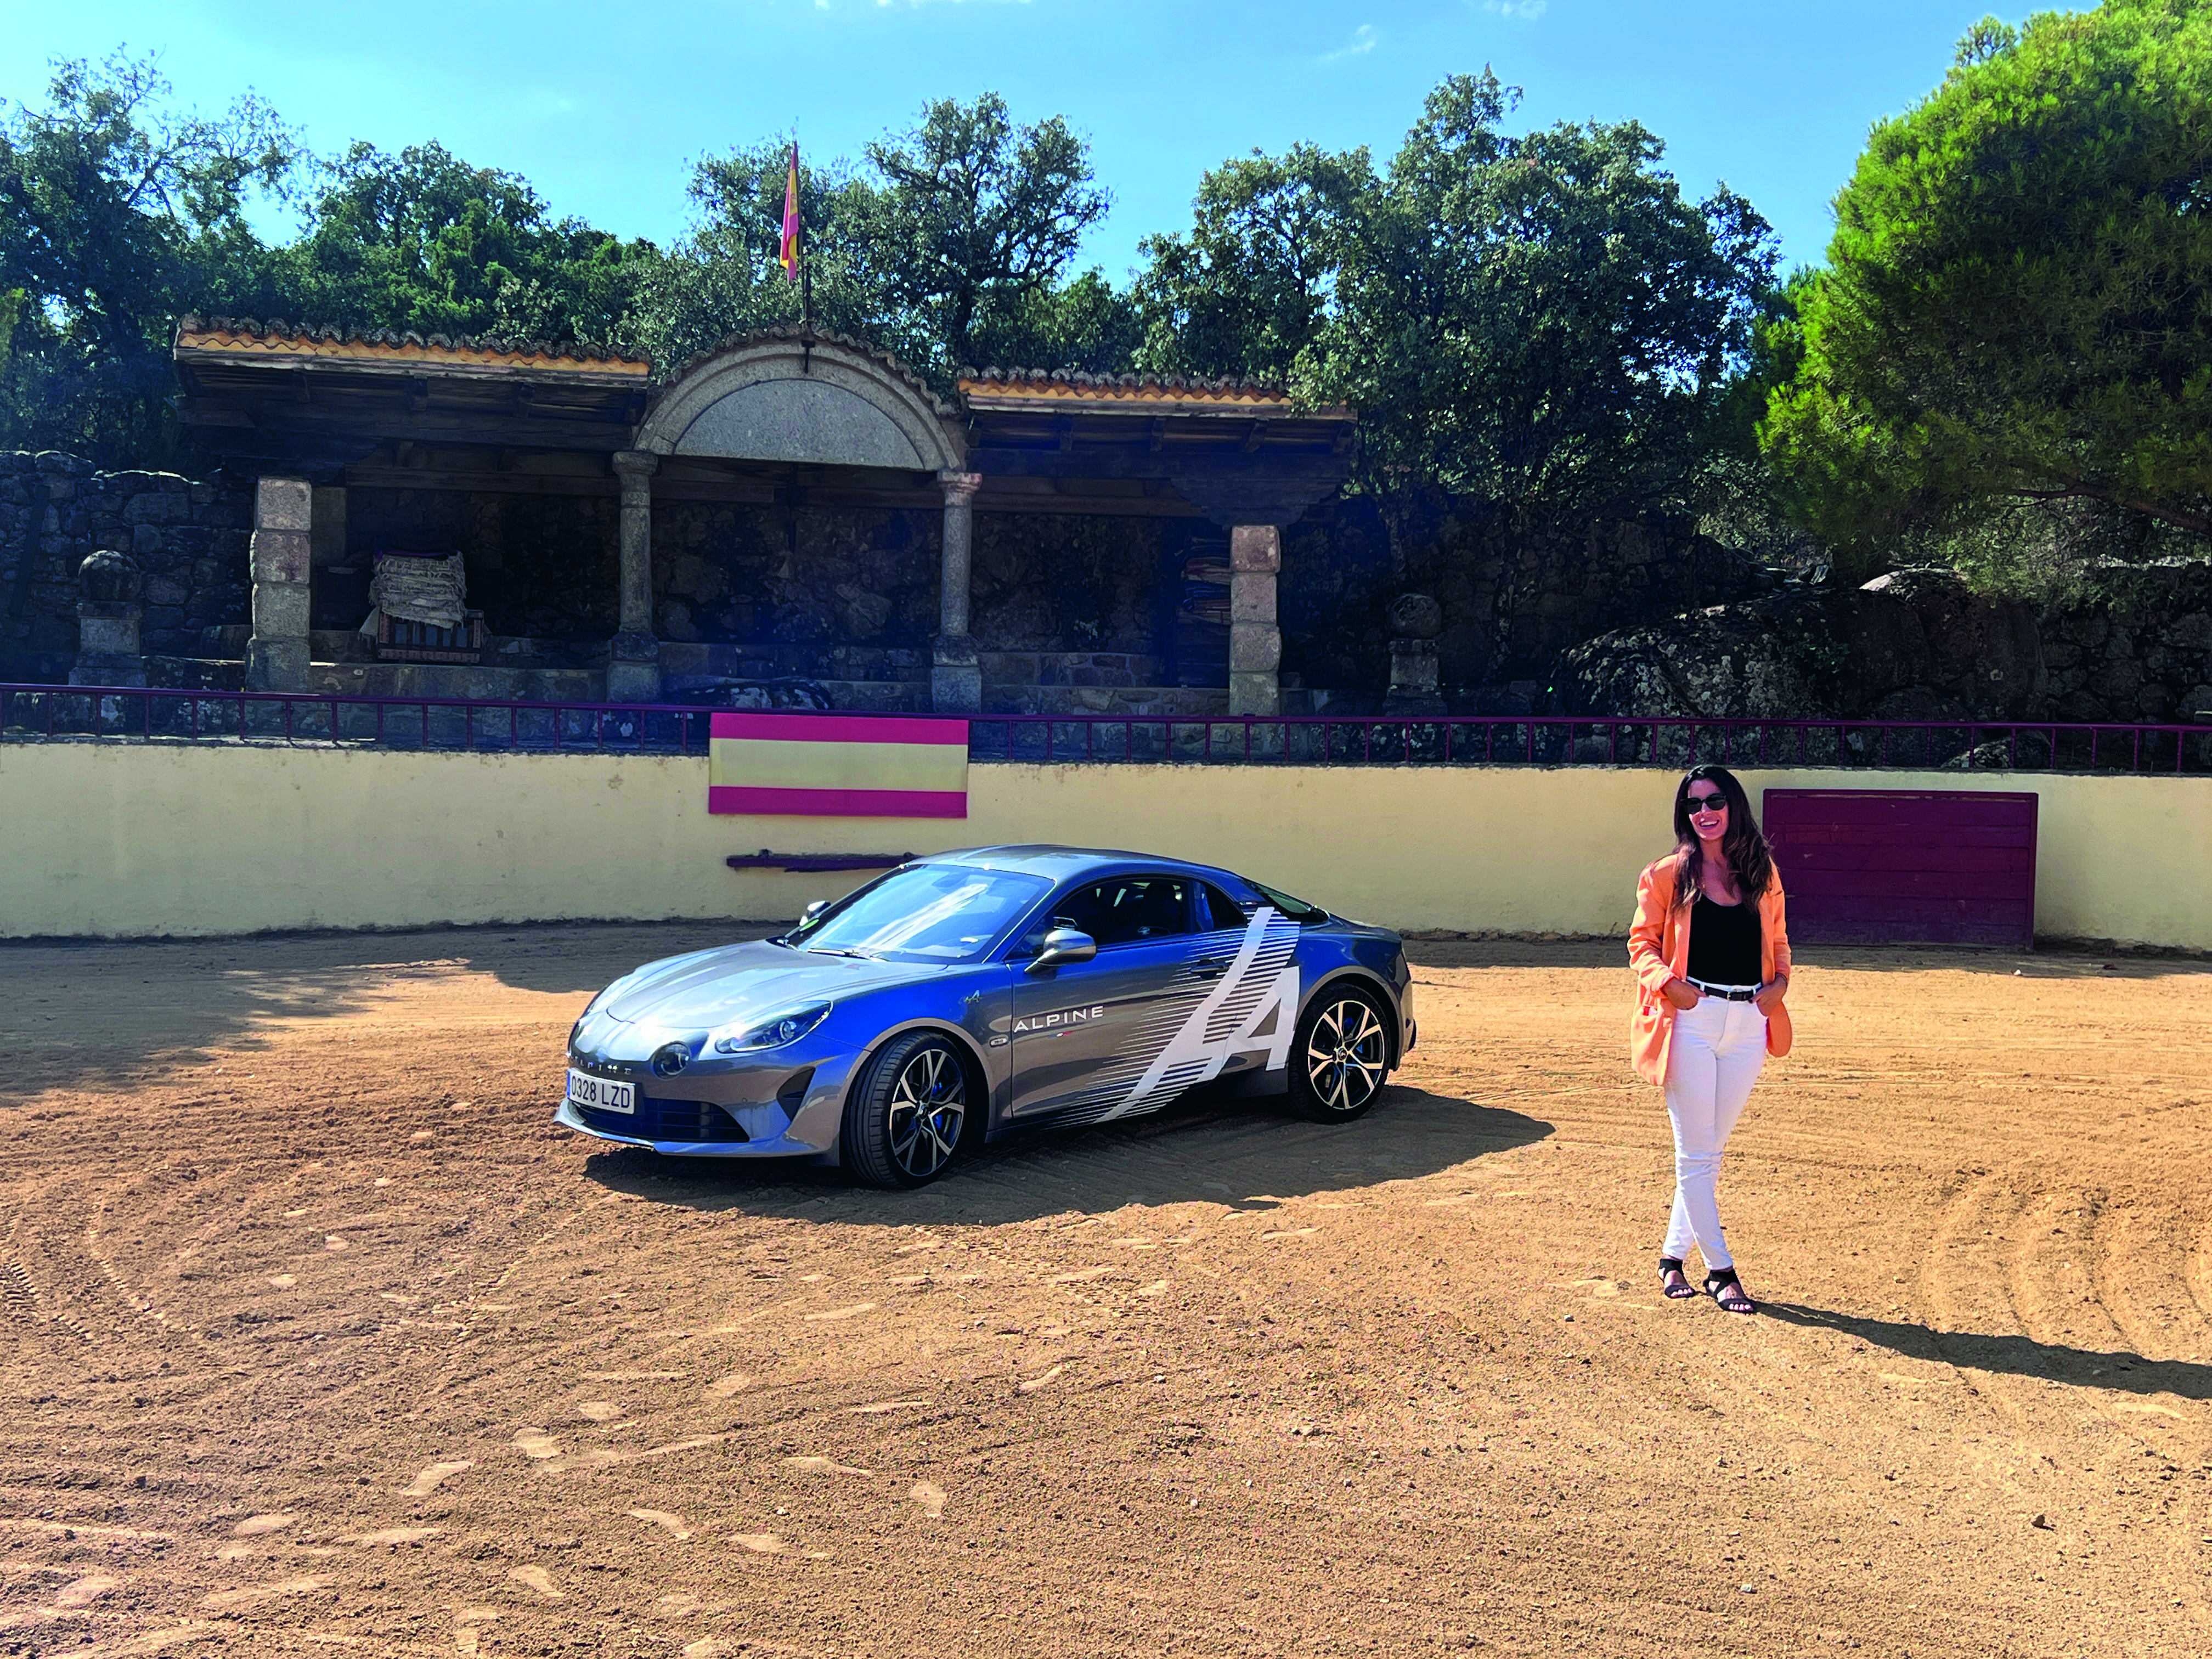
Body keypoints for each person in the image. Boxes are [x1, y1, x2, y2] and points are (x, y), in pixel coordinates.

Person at [1627, 765, 1793, 1315]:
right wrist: (1669, 984)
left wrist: (1781, 985)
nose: (1705, 811)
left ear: (1733, 805)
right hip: (1690, 1021)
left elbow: (1780, 939)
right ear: (1686, 815)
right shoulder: (1668, 875)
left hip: (1748, 1022)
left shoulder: (1761, 871)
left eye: (1715, 799)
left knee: (1710, 1152)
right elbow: (1641, 944)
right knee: (1696, 1153)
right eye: (1694, 804)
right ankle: (1722, 1272)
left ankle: (1672, 1259)